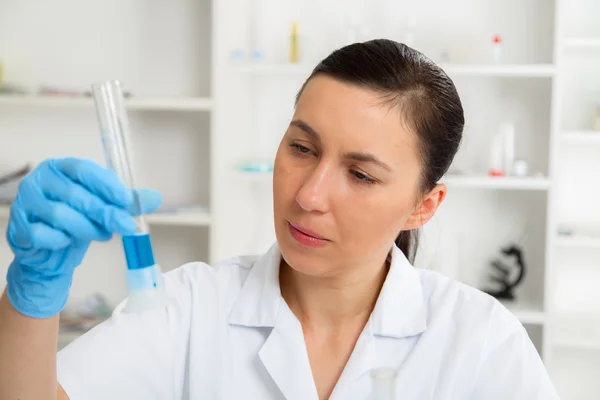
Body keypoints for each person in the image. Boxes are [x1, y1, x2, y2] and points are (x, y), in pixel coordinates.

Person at [0, 40, 558, 400]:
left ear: (423, 206)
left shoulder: (481, 342)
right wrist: (30, 297)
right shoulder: (189, 308)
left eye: (360, 175)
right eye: (301, 147)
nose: (310, 195)